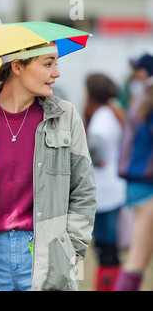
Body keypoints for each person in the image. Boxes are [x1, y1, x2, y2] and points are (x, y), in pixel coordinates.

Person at [0, 42, 97, 291]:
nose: (56, 73)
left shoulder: (65, 115)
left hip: (47, 257)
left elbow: (84, 191)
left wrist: (69, 248)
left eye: (55, 64)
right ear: (17, 67)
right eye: (48, 64)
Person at [83, 73, 126, 291]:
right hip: (114, 188)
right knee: (110, 248)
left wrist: (90, 159)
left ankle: (106, 287)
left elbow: (95, 147)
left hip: (104, 193)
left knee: (105, 248)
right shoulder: (113, 111)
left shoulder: (100, 116)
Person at [114, 67, 153, 291]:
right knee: (137, 258)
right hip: (147, 186)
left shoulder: (143, 98)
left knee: (139, 257)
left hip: (136, 185)